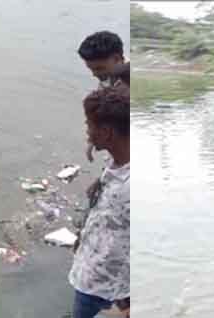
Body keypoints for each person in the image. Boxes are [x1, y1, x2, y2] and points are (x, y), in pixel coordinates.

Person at [69, 85, 130, 318]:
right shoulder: (117, 162)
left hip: (106, 289)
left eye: (89, 126)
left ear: (106, 133)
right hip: (92, 270)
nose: (87, 132)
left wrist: (126, 305)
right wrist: (82, 237)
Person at [79, 31, 128, 164]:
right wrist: (92, 140)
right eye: (91, 69)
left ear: (117, 59)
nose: (95, 74)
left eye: (99, 68)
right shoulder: (109, 78)